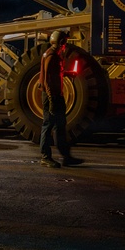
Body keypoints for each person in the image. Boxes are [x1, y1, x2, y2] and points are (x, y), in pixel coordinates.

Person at [39, 30, 83, 168]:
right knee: (48, 126)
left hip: (57, 96)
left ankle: (66, 156)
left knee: (60, 127)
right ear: (61, 42)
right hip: (52, 96)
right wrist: (52, 100)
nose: (65, 45)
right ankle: (45, 157)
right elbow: (47, 80)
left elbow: (55, 73)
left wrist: (68, 73)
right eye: (65, 42)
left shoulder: (53, 54)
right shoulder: (51, 56)